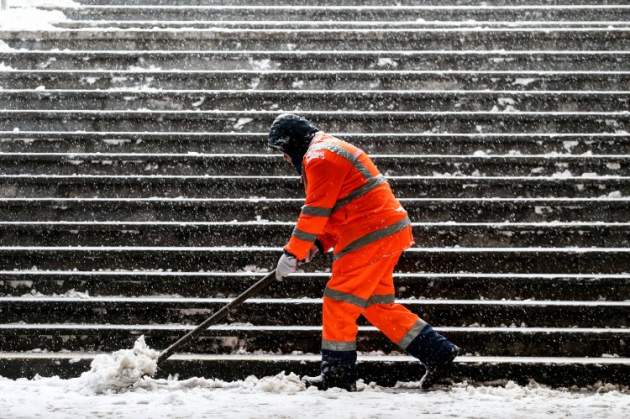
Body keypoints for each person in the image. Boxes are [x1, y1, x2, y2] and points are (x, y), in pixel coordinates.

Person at [268, 113, 459, 391]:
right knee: (376, 305)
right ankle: (439, 353)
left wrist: (293, 251)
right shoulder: (329, 149)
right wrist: (316, 244)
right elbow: (341, 209)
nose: (285, 159)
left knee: (338, 301)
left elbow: (315, 212)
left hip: (370, 234)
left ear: (294, 144)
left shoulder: (319, 158)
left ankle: (338, 376)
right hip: (383, 230)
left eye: (284, 152)